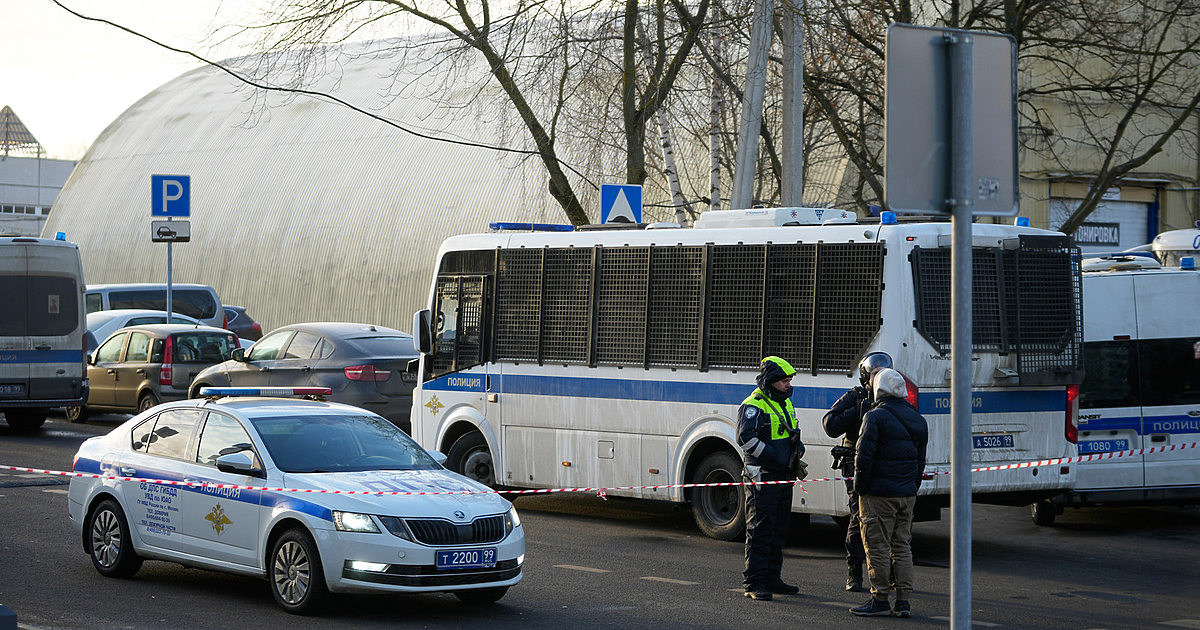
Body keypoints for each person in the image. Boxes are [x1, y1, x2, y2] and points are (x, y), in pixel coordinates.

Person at [849, 368, 928, 618]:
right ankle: (903, 601)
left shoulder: (875, 417)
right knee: (902, 546)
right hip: (906, 494)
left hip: (878, 495)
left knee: (877, 547)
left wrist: (860, 489)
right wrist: (911, 489)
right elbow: (920, 462)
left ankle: (880, 598)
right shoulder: (918, 419)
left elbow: (864, 458)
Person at [736, 356, 805, 601]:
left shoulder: (785, 402)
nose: (788, 385)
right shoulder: (753, 404)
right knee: (761, 530)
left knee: (779, 529)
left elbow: (790, 429)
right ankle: (754, 583)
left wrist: (798, 449)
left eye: (789, 381)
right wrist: (773, 456)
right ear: (770, 381)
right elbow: (744, 438)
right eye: (784, 381)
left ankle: (773, 578)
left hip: (783, 475)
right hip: (762, 476)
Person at [822, 352, 892, 592]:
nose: (880, 377)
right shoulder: (855, 396)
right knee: (858, 515)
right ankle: (855, 570)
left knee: (886, 517)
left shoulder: (893, 396)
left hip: (884, 466)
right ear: (866, 376)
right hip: (856, 464)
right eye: (875, 373)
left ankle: (889, 572)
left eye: (884, 372)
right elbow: (830, 424)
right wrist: (857, 410)